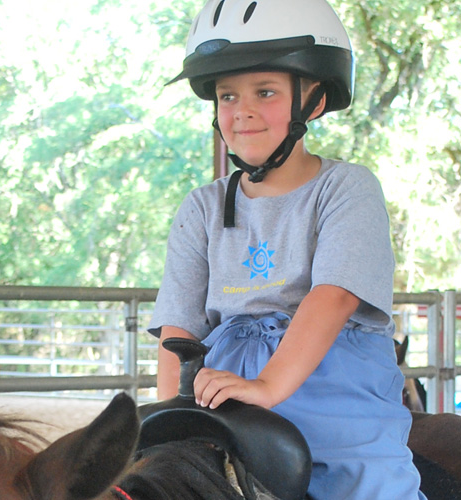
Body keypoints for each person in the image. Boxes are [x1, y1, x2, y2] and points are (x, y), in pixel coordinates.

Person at [147, 0, 426, 498]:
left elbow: (334, 295)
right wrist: (171, 426)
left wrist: (268, 388)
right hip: (225, 397)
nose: (243, 111)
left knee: (369, 483)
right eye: (227, 95)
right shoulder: (202, 208)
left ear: (313, 101)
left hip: (336, 396)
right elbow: (179, 330)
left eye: (266, 91)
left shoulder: (346, 188)